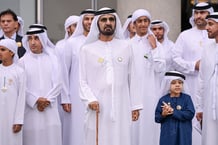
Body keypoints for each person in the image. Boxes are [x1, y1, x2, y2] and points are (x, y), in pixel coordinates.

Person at [79, 7, 143, 145]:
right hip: (97, 106)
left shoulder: (125, 46)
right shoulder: (87, 50)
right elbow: (82, 80)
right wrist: (90, 99)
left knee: (121, 138)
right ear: (97, 23)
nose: (108, 23)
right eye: (103, 20)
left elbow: (133, 78)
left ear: (115, 23)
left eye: (111, 19)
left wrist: (135, 105)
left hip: (122, 105)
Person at [171, 2, 214, 144]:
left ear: (209, 14)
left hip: (212, 87)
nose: (199, 16)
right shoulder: (185, 36)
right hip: (190, 85)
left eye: (202, 13)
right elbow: (175, 59)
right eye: (196, 13)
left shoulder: (213, 35)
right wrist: (193, 65)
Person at [18, 27, 62, 145]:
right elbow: (22, 87)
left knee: (51, 137)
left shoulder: (53, 59)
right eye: (30, 39)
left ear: (43, 39)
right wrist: (36, 100)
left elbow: (58, 83)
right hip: (31, 109)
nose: (32, 42)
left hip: (50, 108)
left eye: (36, 38)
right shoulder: (22, 62)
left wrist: (47, 100)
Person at [130, 9, 166, 145]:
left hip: (151, 93)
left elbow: (161, 69)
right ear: (134, 24)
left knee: (150, 128)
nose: (143, 24)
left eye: (146, 21)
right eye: (140, 21)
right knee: (132, 129)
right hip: (132, 94)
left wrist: (154, 47)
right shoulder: (128, 44)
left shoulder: (157, 45)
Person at [62, 9, 95, 145]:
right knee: (77, 128)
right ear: (82, 21)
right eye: (87, 19)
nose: (89, 22)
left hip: (96, 93)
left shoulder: (100, 41)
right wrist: (65, 98)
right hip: (75, 95)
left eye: (92, 19)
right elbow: (64, 71)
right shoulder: (72, 43)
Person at [55, 14, 80, 145]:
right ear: (68, 28)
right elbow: (61, 71)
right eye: (74, 26)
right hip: (64, 92)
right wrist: (65, 97)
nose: (77, 28)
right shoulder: (60, 45)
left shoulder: (84, 43)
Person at [196, 12, 218, 145]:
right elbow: (202, 79)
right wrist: (200, 107)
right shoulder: (207, 48)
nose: (206, 28)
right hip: (210, 104)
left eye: (211, 24)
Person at [155, 71, 195, 145]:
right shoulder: (163, 100)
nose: (177, 85)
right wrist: (163, 114)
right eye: (173, 83)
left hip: (184, 134)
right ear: (167, 84)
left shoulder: (187, 98)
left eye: (180, 83)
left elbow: (190, 114)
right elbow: (157, 118)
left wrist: (173, 111)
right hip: (168, 135)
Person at [0, 39, 26, 145]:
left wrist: (18, 120)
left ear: (11, 52)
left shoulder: (19, 72)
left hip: (12, 117)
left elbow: (22, 97)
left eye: (3, 50)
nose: (0, 52)